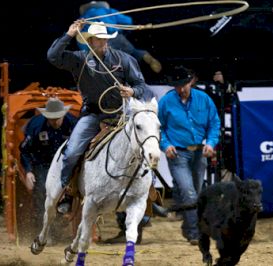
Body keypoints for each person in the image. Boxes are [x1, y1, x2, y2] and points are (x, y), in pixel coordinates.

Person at [47, 19, 148, 213]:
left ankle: (145, 194)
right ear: (90, 41)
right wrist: (69, 34)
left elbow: (141, 87)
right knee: (72, 152)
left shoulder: (124, 60)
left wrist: (132, 92)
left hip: (122, 114)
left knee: (145, 146)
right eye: (97, 39)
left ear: (107, 41)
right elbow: (53, 56)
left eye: (104, 38)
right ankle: (68, 191)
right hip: (93, 114)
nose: (101, 42)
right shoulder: (79, 60)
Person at [157, 66, 221, 245]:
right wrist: (166, 145)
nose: (181, 89)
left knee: (195, 192)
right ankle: (195, 233)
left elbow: (214, 123)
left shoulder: (204, 99)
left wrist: (211, 142)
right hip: (178, 153)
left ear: (191, 82)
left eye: (184, 85)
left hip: (199, 152)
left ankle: (188, 227)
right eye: (177, 86)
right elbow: (158, 126)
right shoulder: (166, 101)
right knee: (190, 192)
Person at [19, 97, 77, 242]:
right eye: (51, 119)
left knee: (71, 191)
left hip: (66, 165)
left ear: (63, 115)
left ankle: (62, 218)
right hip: (42, 164)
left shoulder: (74, 124)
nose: (55, 121)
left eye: (58, 118)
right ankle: (45, 233)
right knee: (42, 194)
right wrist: (28, 171)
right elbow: (25, 151)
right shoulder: (36, 126)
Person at [77, 1, 162, 73]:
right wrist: (125, 31)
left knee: (106, 62)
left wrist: (87, 51)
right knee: (132, 52)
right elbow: (128, 21)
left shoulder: (83, 18)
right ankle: (144, 56)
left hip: (99, 41)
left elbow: (81, 35)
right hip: (118, 37)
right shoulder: (109, 11)